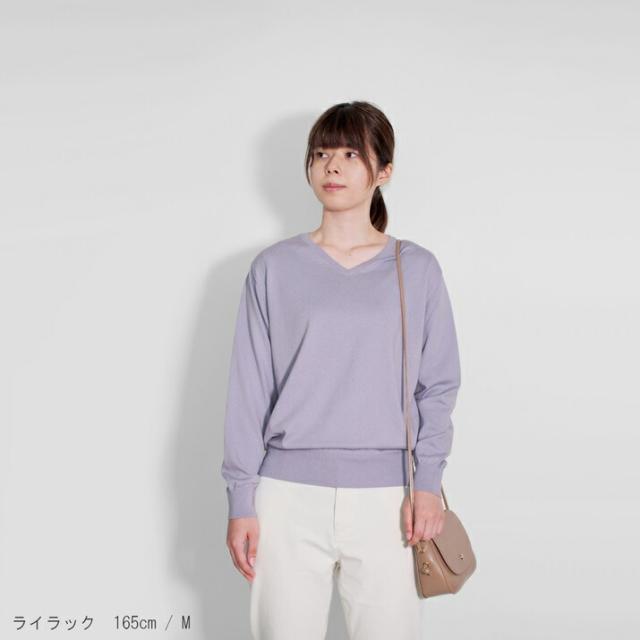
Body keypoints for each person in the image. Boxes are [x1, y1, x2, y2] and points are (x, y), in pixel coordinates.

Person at [221, 100, 462, 639]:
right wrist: (241, 499)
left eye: (351, 154)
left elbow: (437, 386)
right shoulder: (274, 268)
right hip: (285, 495)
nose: (332, 165)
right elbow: (248, 390)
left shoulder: (416, 268)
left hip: (389, 499)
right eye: (321, 153)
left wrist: (428, 482)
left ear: (384, 171)